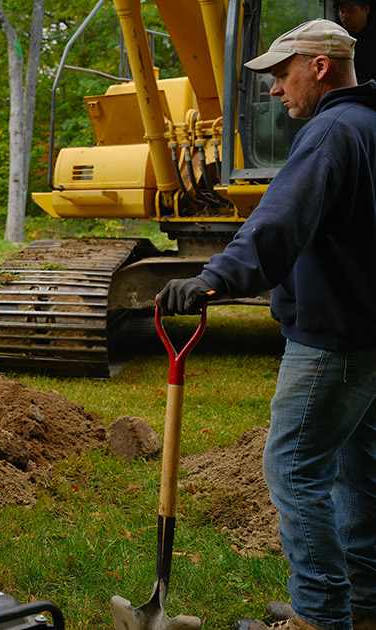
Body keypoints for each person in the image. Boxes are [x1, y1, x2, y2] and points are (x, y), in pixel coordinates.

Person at [158, 19, 376, 630]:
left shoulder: (331, 131)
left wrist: (215, 279)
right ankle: (363, 606)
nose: (276, 90)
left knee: (295, 470)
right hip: (369, 334)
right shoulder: (371, 124)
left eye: (282, 74)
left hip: (334, 338)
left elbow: (279, 221)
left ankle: (318, 616)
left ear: (320, 66)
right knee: (363, 475)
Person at [336, 0, 376, 83]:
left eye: (351, 10)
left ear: (366, 10)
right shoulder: (338, 36)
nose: (345, 16)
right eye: (342, 11)